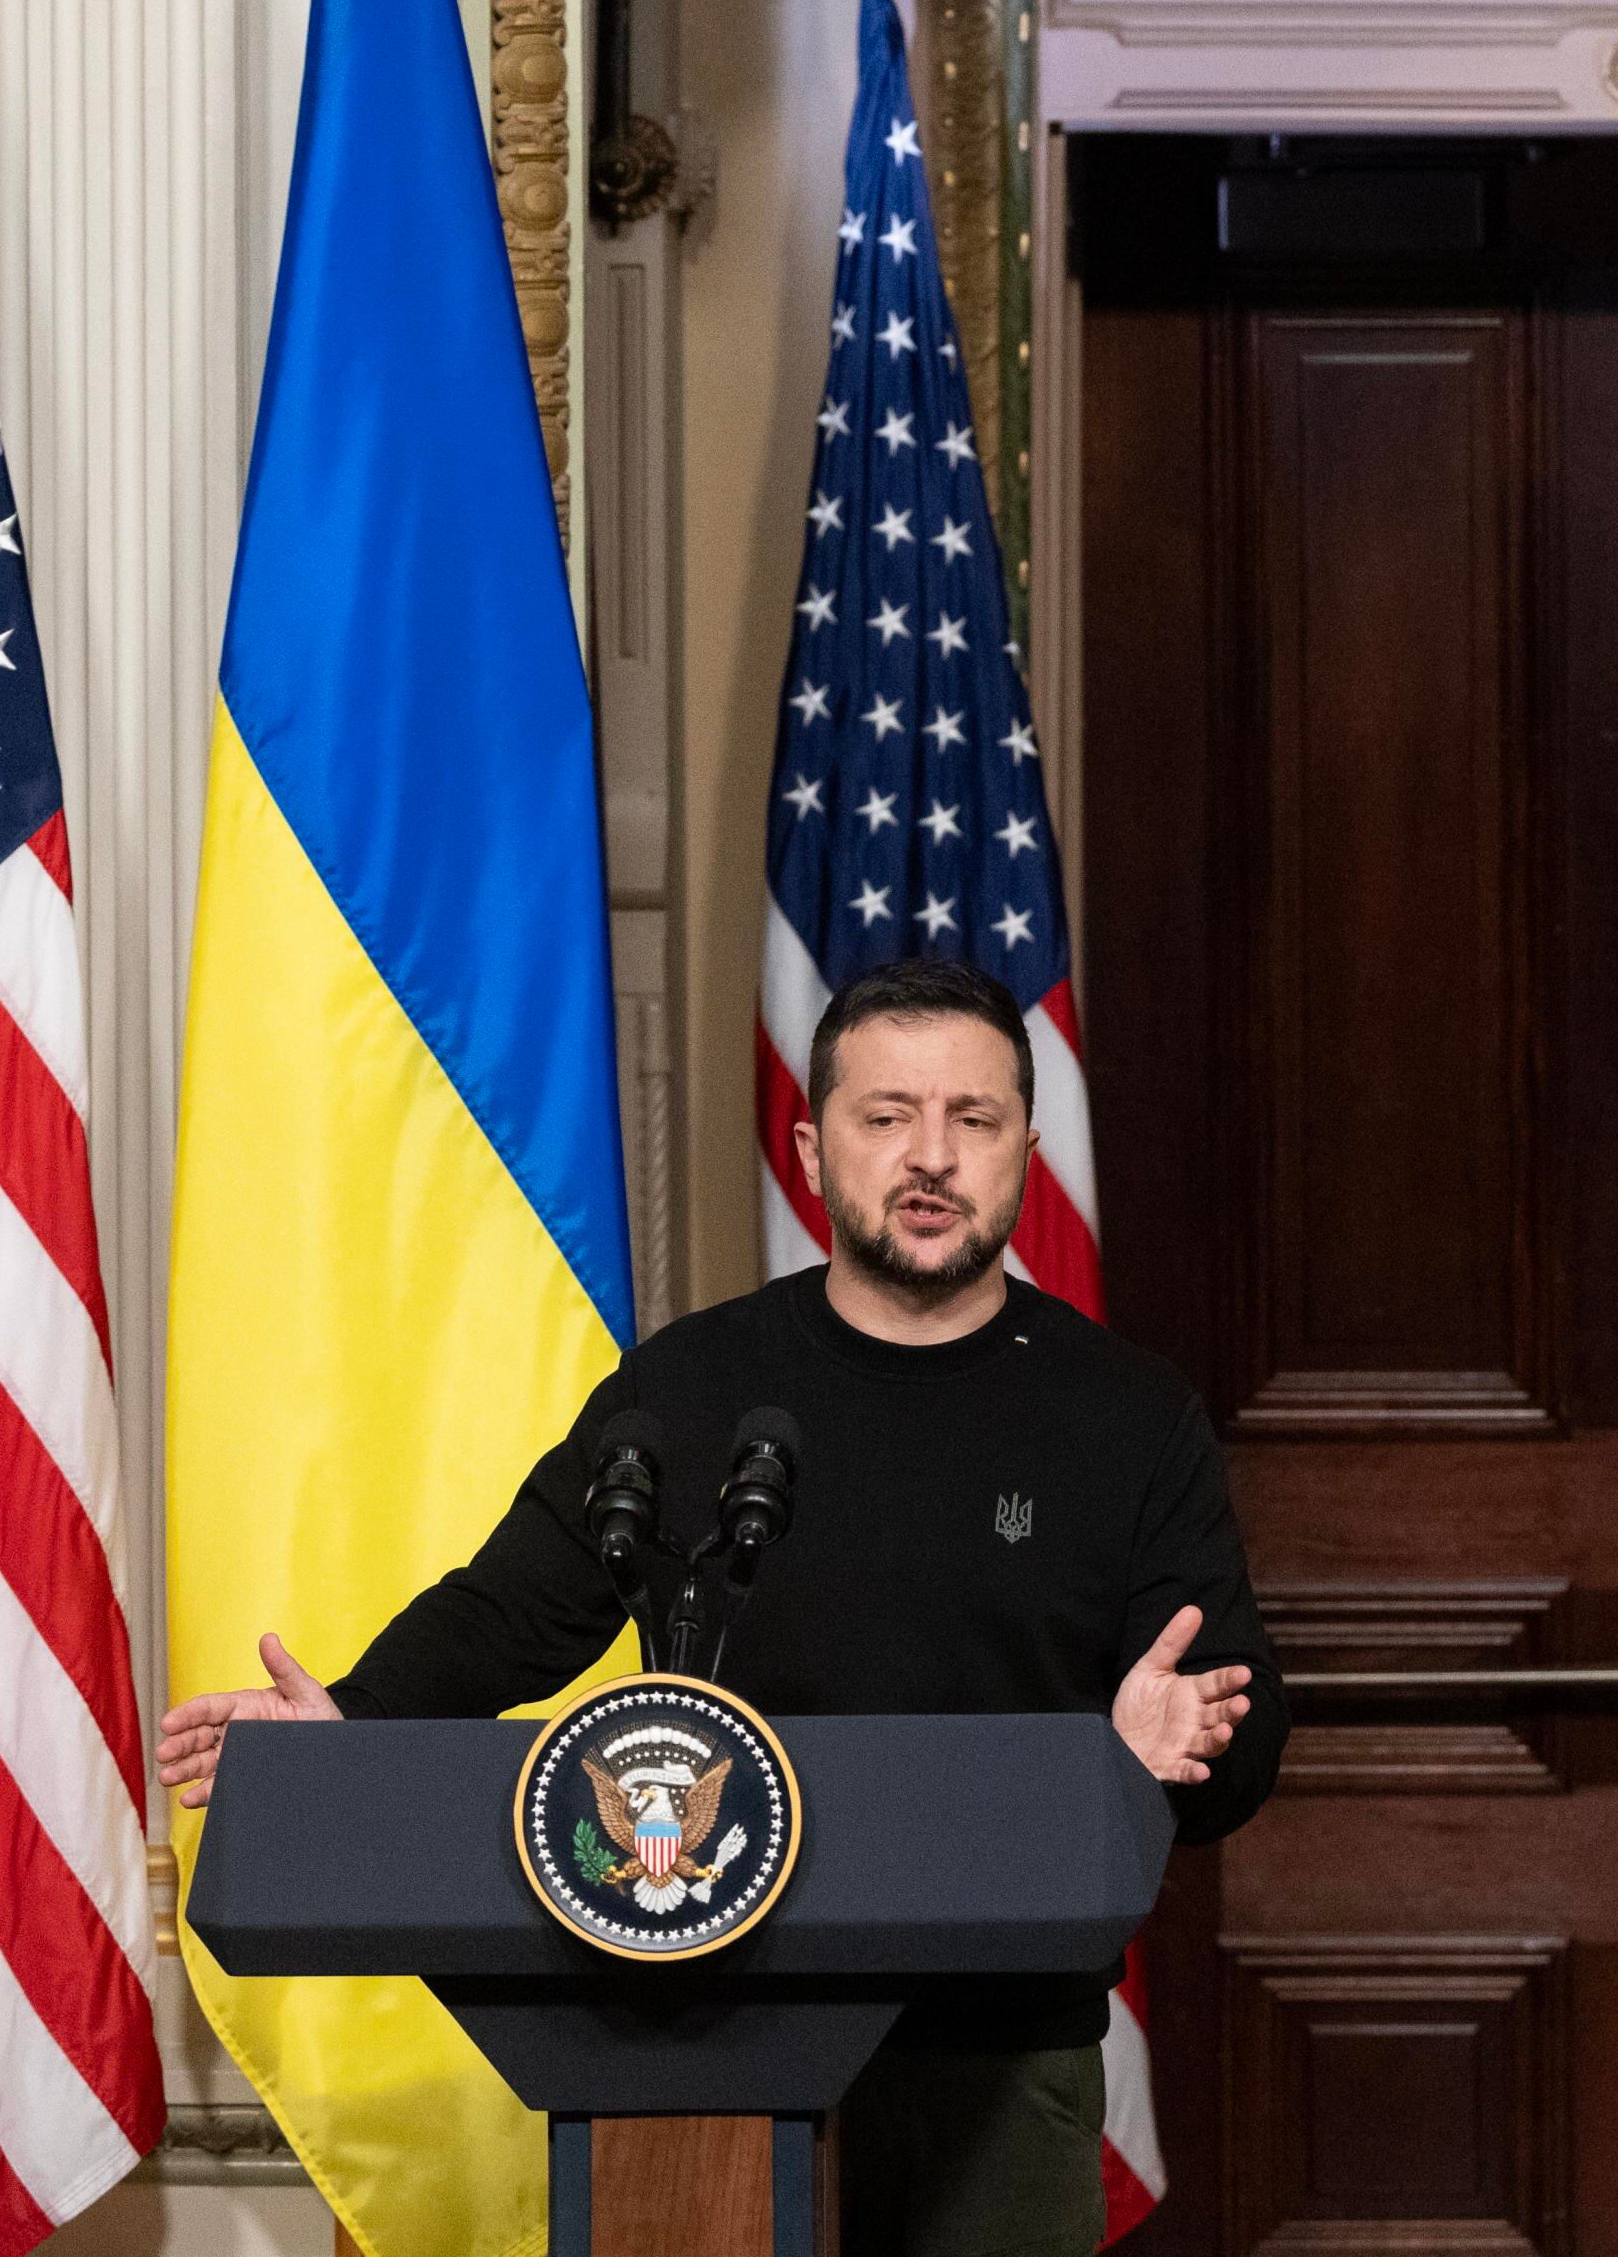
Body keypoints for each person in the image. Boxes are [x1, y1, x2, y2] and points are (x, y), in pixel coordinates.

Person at [164, 953, 1287, 2257]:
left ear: (1026, 1150)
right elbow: (512, 1614)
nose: (931, 1156)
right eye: (887, 1116)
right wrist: (347, 1730)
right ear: (811, 1148)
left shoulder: (1127, 1416)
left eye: (973, 1119)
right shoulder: (693, 1389)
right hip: (698, 2037)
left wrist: (1155, 1756)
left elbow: (1238, 1738)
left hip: (997, 2063)